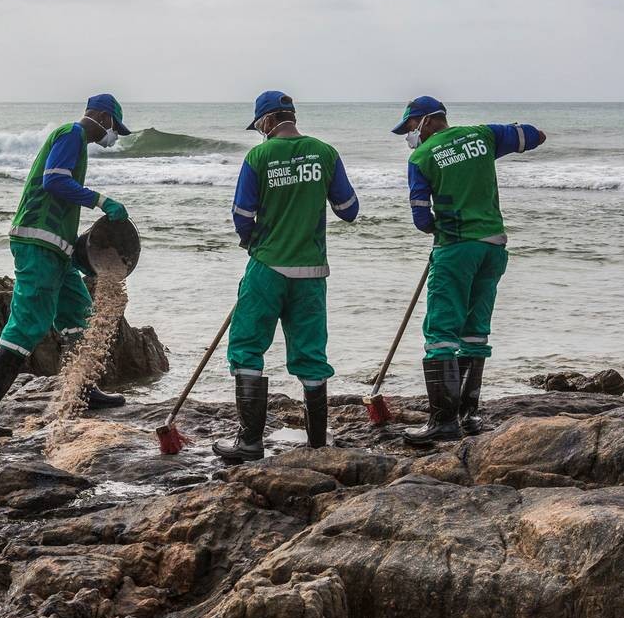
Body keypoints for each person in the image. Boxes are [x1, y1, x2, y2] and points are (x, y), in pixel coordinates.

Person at [0, 94, 132, 437]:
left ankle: (84, 390)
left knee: (79, 313)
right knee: (29, 324)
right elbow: (54, 179)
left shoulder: (77, 142)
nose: (112, 135)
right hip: (38, 241)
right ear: (99, 116)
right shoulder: (71, 134)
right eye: (113, 126)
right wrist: (100, 200)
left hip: (59, 247)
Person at [212, 91, 360, 461]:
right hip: (311, 271)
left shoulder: (258, 156)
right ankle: (316, 445)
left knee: (247, 346)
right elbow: (348, 209)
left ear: (266, 121)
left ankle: (249, 442)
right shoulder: (325, 153)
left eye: (258, 125)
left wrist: (254, 241)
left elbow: (242, 215)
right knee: (311, 353)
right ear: (292, 117)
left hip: (267, 267)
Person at [391, 96, 546, 444]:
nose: (411, 135)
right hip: (493, 245)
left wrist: (438, 228)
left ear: (429, 121)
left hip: (456, 247)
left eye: (412, 127)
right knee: (475, 330)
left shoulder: (421, 158)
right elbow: (535, 136)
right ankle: (468, 415)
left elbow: (420, 219)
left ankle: (443, 422)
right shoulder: (483, 135)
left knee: (441, 330)